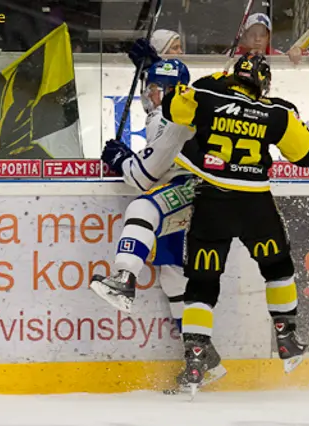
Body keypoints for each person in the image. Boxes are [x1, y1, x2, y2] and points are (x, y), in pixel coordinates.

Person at [159, 52, 309, 393]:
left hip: (212, 202)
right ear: (263, 82)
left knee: (201, 283)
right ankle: (286, 337)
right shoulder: (276, 112)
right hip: (255, 205)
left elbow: (171, 105)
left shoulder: (208, 96)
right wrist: (285, 113)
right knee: (278, 267)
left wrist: (208, 83)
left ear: (232, 76)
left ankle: (195, 356)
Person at [90, 46, 226, 393]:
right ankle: (202, 359)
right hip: (202, 191)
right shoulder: (179, 109)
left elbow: (142, 177)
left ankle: (124, 278)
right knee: (174, 277)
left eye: (152, 87)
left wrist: (120, 159)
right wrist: (155, 67)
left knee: (142, 208)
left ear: (166, 92)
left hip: (193, 190)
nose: (146, 94)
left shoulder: (170, 119)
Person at [233, 13, 307, 65]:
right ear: (245, 36)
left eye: (262, 35)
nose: (257, 39)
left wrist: (298, 52)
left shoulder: (276, 56)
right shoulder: (233, 55)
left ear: (269, 38)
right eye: (253, 34)